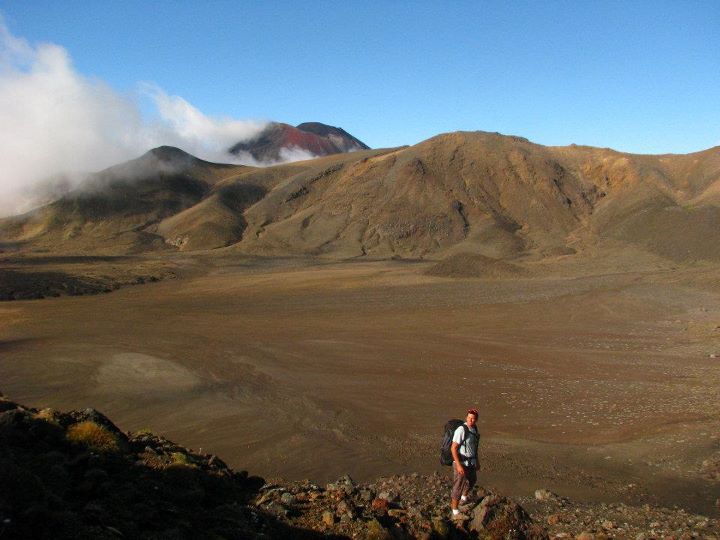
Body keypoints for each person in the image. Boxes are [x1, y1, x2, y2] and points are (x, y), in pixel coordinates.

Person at [450, 408, 479, 518]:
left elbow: (474, 447)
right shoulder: (461, 430)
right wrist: (458, 465)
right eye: (469, 418)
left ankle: (464, 497)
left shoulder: (474, 429)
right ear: (466, 417)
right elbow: (453, 448)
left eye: (473, 419)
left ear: (476, 420)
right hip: (460, 462)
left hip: (471, 461)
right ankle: (454, 509)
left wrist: (477, 461)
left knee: (472, 480)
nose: (471, 420)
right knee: (458, 485)